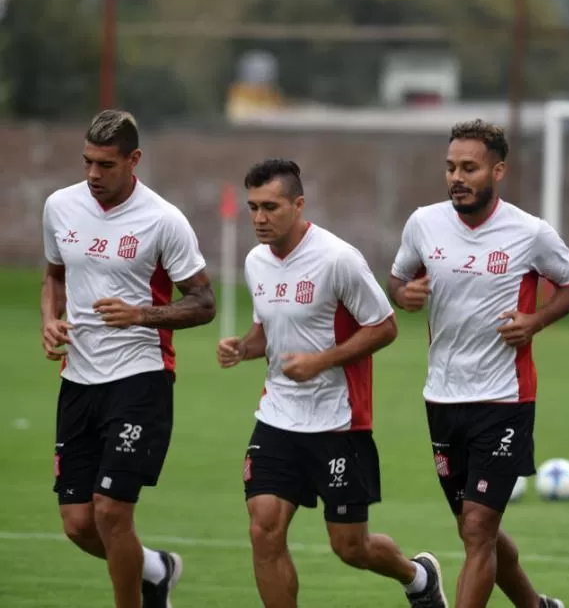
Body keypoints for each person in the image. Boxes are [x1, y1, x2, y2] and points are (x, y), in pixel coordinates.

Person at [217, 159, 448, 608]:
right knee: (263, 528)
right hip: (278, 417)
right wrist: (242, 348)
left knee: (350, 547)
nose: (260, 219)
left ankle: (417, 577)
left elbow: (384, 327)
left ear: (298, 205)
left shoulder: (338, 259)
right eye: (253, 208)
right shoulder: (255, 262)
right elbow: (267, 332)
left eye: (271, 207)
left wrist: (320, 361)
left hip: (339, 423)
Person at [388, 120, 569, 608]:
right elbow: (397, 280)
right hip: (441, 398)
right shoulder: (423, 224)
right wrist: (404, 295)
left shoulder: (530, 232)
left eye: (469, 168)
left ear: (497, 170)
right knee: (479, 529)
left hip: (503, 400)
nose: (457, 176)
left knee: (477, 527)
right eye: (451, 167)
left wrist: (534, 321)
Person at [40, 110, 216, 608]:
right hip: (78, 377)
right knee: (78, 524)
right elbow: (54, 276)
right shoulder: (60, 206)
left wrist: (141, 315)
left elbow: (204, 303)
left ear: (133, 160)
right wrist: (49, 319)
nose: (93, 175)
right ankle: (155, 569)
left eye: (106, 164)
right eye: (87, 162)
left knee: (112, 511)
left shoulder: (163, 219)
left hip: (141, 378)